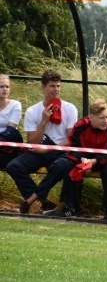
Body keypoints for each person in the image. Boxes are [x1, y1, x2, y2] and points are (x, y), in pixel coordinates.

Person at [6, 69, 78, 215]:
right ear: (43, 87)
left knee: (61, 166)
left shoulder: (70, 108)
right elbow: (32, 142)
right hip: (38, 151)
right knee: (13, 166)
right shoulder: (33, 111)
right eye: (52, 86)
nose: (56, 90)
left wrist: (48, 149)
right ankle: (45, 203)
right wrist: (43, 122)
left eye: (58, 86)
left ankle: (29, 201)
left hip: (59, 151)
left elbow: (71, 139)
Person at [52, 99, 107, 218]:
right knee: (68, 166)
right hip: (82, 159)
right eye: (102, 118)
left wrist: (94, 162)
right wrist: (83, 160)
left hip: (104, 161)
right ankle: (70, 206)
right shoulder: (80, 126)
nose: (105, 121)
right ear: (91, 117)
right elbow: (73, 148)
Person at [0, 74, 24, 169]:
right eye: (1, 86)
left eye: (7, 86)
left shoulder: (15, 105)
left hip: (7, 147)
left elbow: (11, 130)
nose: (5, 89)